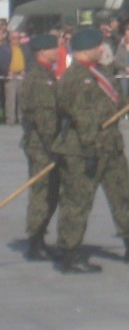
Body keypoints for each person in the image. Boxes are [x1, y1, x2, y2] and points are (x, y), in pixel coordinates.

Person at [53, 26, 129, 273]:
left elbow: (116, 102)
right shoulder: (73, 77)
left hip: (111, 146)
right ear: (87, 48)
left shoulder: (101, 73)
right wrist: (90, 147)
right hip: (83, 150)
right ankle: (70, 253)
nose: (102, 49)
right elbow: (79, 116)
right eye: (99, 45)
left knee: (122, 196)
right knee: (77, 201)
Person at [19, 34, 61, 261]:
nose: (57, 50)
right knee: (42, 193)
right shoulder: (38, 78)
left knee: (50, 193)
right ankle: (35, 241)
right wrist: (55, 146)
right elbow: (44, 118)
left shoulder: (46, 75)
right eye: (53, 48)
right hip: (42, 146)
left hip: (44, 144)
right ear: (42, 52)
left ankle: (39, 238)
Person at [0, 30, 31, 125]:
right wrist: (7, 71)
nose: (16, 40)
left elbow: (29, 61)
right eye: (14, 38)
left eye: (18, 38)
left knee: (21, 99)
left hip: (22, 77)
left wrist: (25, 70)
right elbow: (2, 62)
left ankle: (21, 119)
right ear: (9, 39)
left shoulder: (25, 48)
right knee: (10, 100)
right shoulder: (4, 49)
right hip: (10, 78)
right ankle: (10, 120)